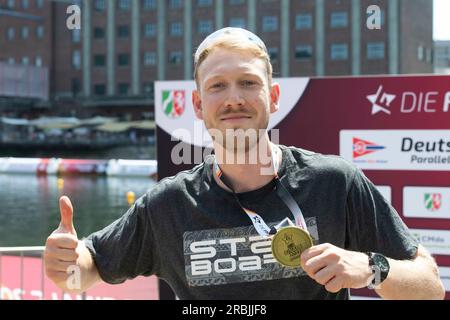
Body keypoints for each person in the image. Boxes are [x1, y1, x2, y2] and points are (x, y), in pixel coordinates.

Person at [44, 28, 445, 300]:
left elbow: (429, 284)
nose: (234, 98)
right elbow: (87, 269)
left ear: (272, 97)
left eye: (248, 83)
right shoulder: (167, 203)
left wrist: (371, 270)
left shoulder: (335, 183)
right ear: (199, 105)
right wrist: (66, 263)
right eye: (218, 86)